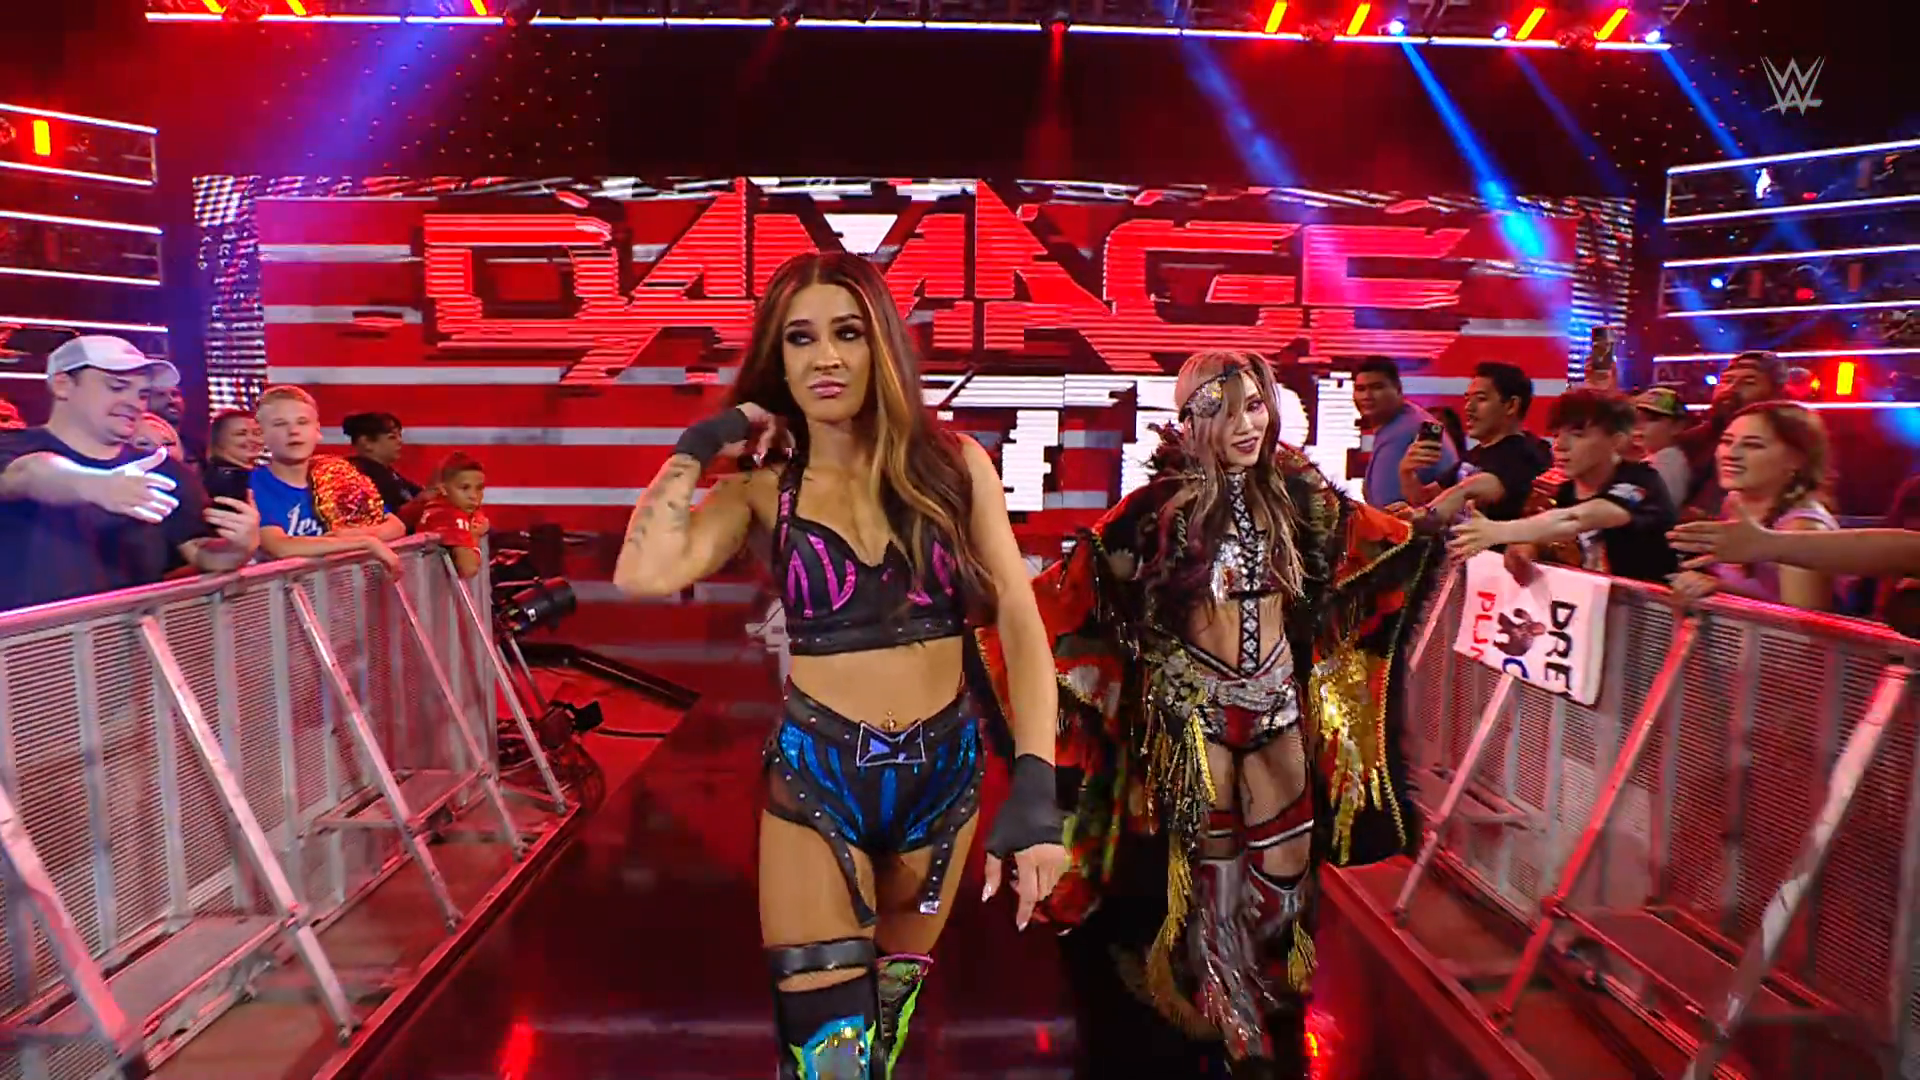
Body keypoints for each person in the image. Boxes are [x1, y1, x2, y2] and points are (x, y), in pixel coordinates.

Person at [612, 252, 1066, 1079]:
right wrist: (704, 442)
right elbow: (643, 572)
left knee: (882, 1039)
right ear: (777, 361)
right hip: (819, 778)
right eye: (801, 338)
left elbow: (1021, 621)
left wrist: (1037, 788)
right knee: (829, 1057)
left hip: (945, 780)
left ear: (880, 344)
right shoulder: (762, 491)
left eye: (848, 333)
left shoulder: (954, 466)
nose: (826, 357)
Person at [979, 350, 1442, 1075]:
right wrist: (994, 612)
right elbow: (1070, 598)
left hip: (1277, 709)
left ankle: (1255, 1007)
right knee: (1198, 876)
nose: (1246, 425)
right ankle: (1213, 1016)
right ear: (1191, 418)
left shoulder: (1303, 496)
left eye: (1255, 406)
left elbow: (1383, 545)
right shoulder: (1151, 510)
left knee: (1285, 877)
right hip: (1184, 721)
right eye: (1226, 410)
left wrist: (1458, 526)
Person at [0, 336, 259, 612]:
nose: (134, 403)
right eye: (117, 386)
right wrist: (95, 484)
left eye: (142, 394)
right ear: (63, 384)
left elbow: (199, 551)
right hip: (35, 638)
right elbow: (28, 473)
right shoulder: (12, 447)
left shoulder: (162, 468)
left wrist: (238, 548)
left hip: (134, 635)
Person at [1451, 387, 1678, 585]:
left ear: (1615, 441)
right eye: (1557, 434)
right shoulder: (1556, 488)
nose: (1560, 445)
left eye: (1577, 435)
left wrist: (1496, 531)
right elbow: (1537, 537)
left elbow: (1575, 519)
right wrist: (1526, 551)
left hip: (1646, 614)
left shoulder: (1641, 483)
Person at [1667, 401, 1835, 611]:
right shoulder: (1734, 502)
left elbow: (1805, 625)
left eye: (1753, 445)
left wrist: (1723, 591)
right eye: (1726, 441)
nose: (1730, 454)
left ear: (1797, 459)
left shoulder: (1804, 529)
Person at [251, 386, 405, 570]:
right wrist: (365, 543)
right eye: (279, 424)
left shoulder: (337, 475)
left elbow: (396, 526)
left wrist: (352, 536)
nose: (293, 431)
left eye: (302, 422)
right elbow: (280, 546)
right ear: (261, 435)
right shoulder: (253, 485)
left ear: (317, 431)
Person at [1401, 361, 1549, 527]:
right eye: (1467, 399)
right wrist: (1407, 471)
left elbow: (1479, 487)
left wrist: (1421, 515)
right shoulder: (1476, 453)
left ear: (1511, 405)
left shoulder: (1525, 455)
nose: (1468, 408)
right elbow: (1424, 499)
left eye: (1481, 399)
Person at [1673, 350, 1787, 520]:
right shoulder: (1687, 443)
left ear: (1775, 394)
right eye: (1726, 381)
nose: (1731, 388)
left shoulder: (1788, 444)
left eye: (1748, 383)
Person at [1352, 356, 1457, 509]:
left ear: (1398, 389)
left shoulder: (1403, 431)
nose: (1367, 396)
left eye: (1377, 387)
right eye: (1360, 389)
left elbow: (1386, 509)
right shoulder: (1401, 421)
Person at [399, 452, 490, 579]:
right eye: (464, 488)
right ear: (443, 489)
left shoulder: (439, 507)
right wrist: (474, 536)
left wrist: (477, 519)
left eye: (479, 488)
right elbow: (468, 569)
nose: (473, 496)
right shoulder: (451, 516)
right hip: (430, 587)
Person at [343, 411, 423, 514]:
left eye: (400, 436)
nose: (400, 441)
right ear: (366, 443)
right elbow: (383, 516)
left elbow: (418, 494)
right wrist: (419, 503)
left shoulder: (389, 474)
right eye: (392, 437)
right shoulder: (360, 478)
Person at [1631, 386, 1690, 506]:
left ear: (1677, 426)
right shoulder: (1654, 459)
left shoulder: (1667, 464)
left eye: (1651, 419)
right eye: (1636, 418)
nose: (1639, 426)